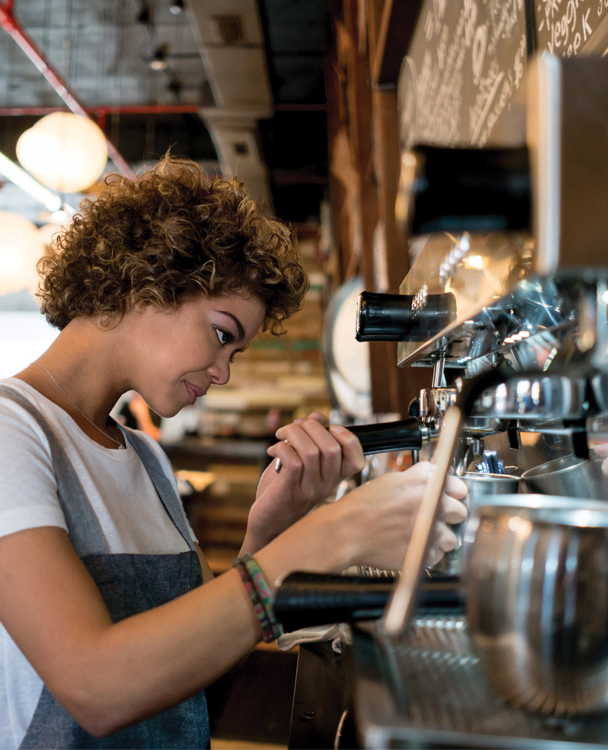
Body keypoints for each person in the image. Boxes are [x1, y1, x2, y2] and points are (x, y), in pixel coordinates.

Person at [0, 156, 467, 749]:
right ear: (145, 283)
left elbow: (193, 670)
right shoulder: (11, 429)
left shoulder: (146, 458)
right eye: (222, 334)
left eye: (235, 353)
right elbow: (97, 684)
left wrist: (268, 534)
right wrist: (335, 533)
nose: (222, 373)